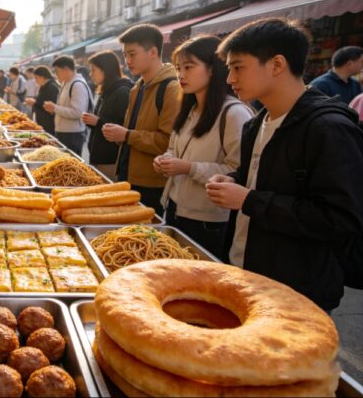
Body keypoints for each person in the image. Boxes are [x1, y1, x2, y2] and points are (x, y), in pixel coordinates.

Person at [206, 18, 363, 311]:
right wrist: (234, 180)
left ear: (277, 64)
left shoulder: (328, 128)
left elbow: (341, 218)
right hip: (246, 272)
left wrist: (249, 199)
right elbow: (267, 177)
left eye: (238, 67)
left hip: (295, 293)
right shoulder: (257, 122)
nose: (229, 78)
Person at [151, 35, 253, 261]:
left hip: (208, 220)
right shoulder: (190, 109)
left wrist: (188, 168)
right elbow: (173, 148)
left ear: (213, 68)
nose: (181, 75)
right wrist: (165, 160)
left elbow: (238, 173)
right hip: (176, 208)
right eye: (178, 68)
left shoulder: (234, 113)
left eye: (189, 67)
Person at [102, 24, 182, 216]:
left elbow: (167, 142)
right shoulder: (137, 87)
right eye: (125, 55)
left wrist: (127, 135)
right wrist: (121, 135)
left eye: (132, 54)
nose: (127, 61)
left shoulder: (171, 88)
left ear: (153, 52)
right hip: (127, 175)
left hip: (151, 184)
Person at [81, 51, 133, 180]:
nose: (90, 74)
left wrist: (97, 122)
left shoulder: (122, 92)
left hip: (110, 159)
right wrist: (92, 122)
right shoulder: (106, 90)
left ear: (105, 70)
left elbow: (124, 127)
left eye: (93, 70)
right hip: (98, 155)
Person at [43, 55, 92, 154]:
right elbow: (64, 107)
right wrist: (53, 109)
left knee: (69, 165)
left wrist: (55, 108)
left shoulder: (77, 85)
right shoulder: (66, 83)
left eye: (57, 71)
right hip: (63, 132)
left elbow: (78, 112)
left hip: (72, 135)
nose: (55, 75)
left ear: (65, 69)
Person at [25, 66, 59, 135]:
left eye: (36, 78)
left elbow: (50, 106)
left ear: (42, 77)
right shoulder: (43, 86)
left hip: (49, 122)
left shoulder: (51, 87)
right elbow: (41, 101)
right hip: (42, 121)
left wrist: (34, 103)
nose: (35, 80)